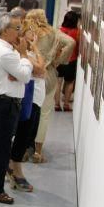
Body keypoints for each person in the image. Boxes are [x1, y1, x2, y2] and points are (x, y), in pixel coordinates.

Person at [0, 12, 45, 204]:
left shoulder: (4, 48)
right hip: (5, 104)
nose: (20, 33)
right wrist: (22, 59)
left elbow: (21, 73)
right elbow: (26, 76)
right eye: (17, 28)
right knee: (2, 149)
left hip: (5, 102)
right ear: (5, 30)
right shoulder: (4, 51)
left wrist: (20, 67)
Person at [25, 9, 75, 163]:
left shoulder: (26, 32)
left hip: (28, 73)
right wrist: (59, 60)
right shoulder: (53, 32)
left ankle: (23, 148)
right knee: (44, 114)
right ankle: (38, 152)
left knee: (26, 112)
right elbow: (71, 43)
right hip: (48, 73)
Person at [8, 30, 47, 192]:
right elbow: (40, 70)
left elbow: (41, 65)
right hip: (25, 99)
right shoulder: (18, 54)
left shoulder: (28, 53)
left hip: (35, 100)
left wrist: (34, 49)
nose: (33, 38)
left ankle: (12, 169)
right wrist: (29, 51)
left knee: (25, 137)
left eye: (34, 35)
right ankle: (14, 170)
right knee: (20, 137)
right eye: (29, 35)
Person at [56, 11, 81, 111]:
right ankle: (66, 104)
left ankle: (57, 104)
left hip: (60, 59)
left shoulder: (59, 31)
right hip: (72, 60)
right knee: (70, 82)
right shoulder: (77, 32)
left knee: (58, 82)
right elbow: (79, 47)